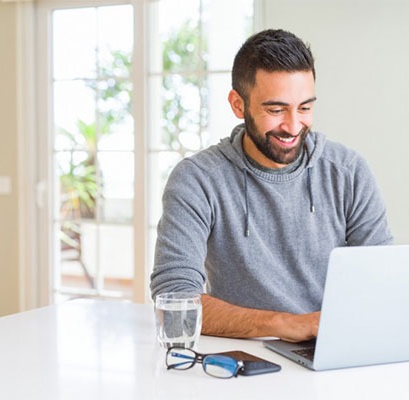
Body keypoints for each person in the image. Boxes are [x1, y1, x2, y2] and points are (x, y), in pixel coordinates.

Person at [150, 29, 392, 343]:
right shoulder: (198, 179)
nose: (293, 126)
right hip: (241, 359)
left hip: (332, 348)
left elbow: (381, 281)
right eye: (276, 110)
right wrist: (287, 325)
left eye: (304, 108)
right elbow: (175, 302)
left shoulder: (348, 171)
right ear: (238, 105)